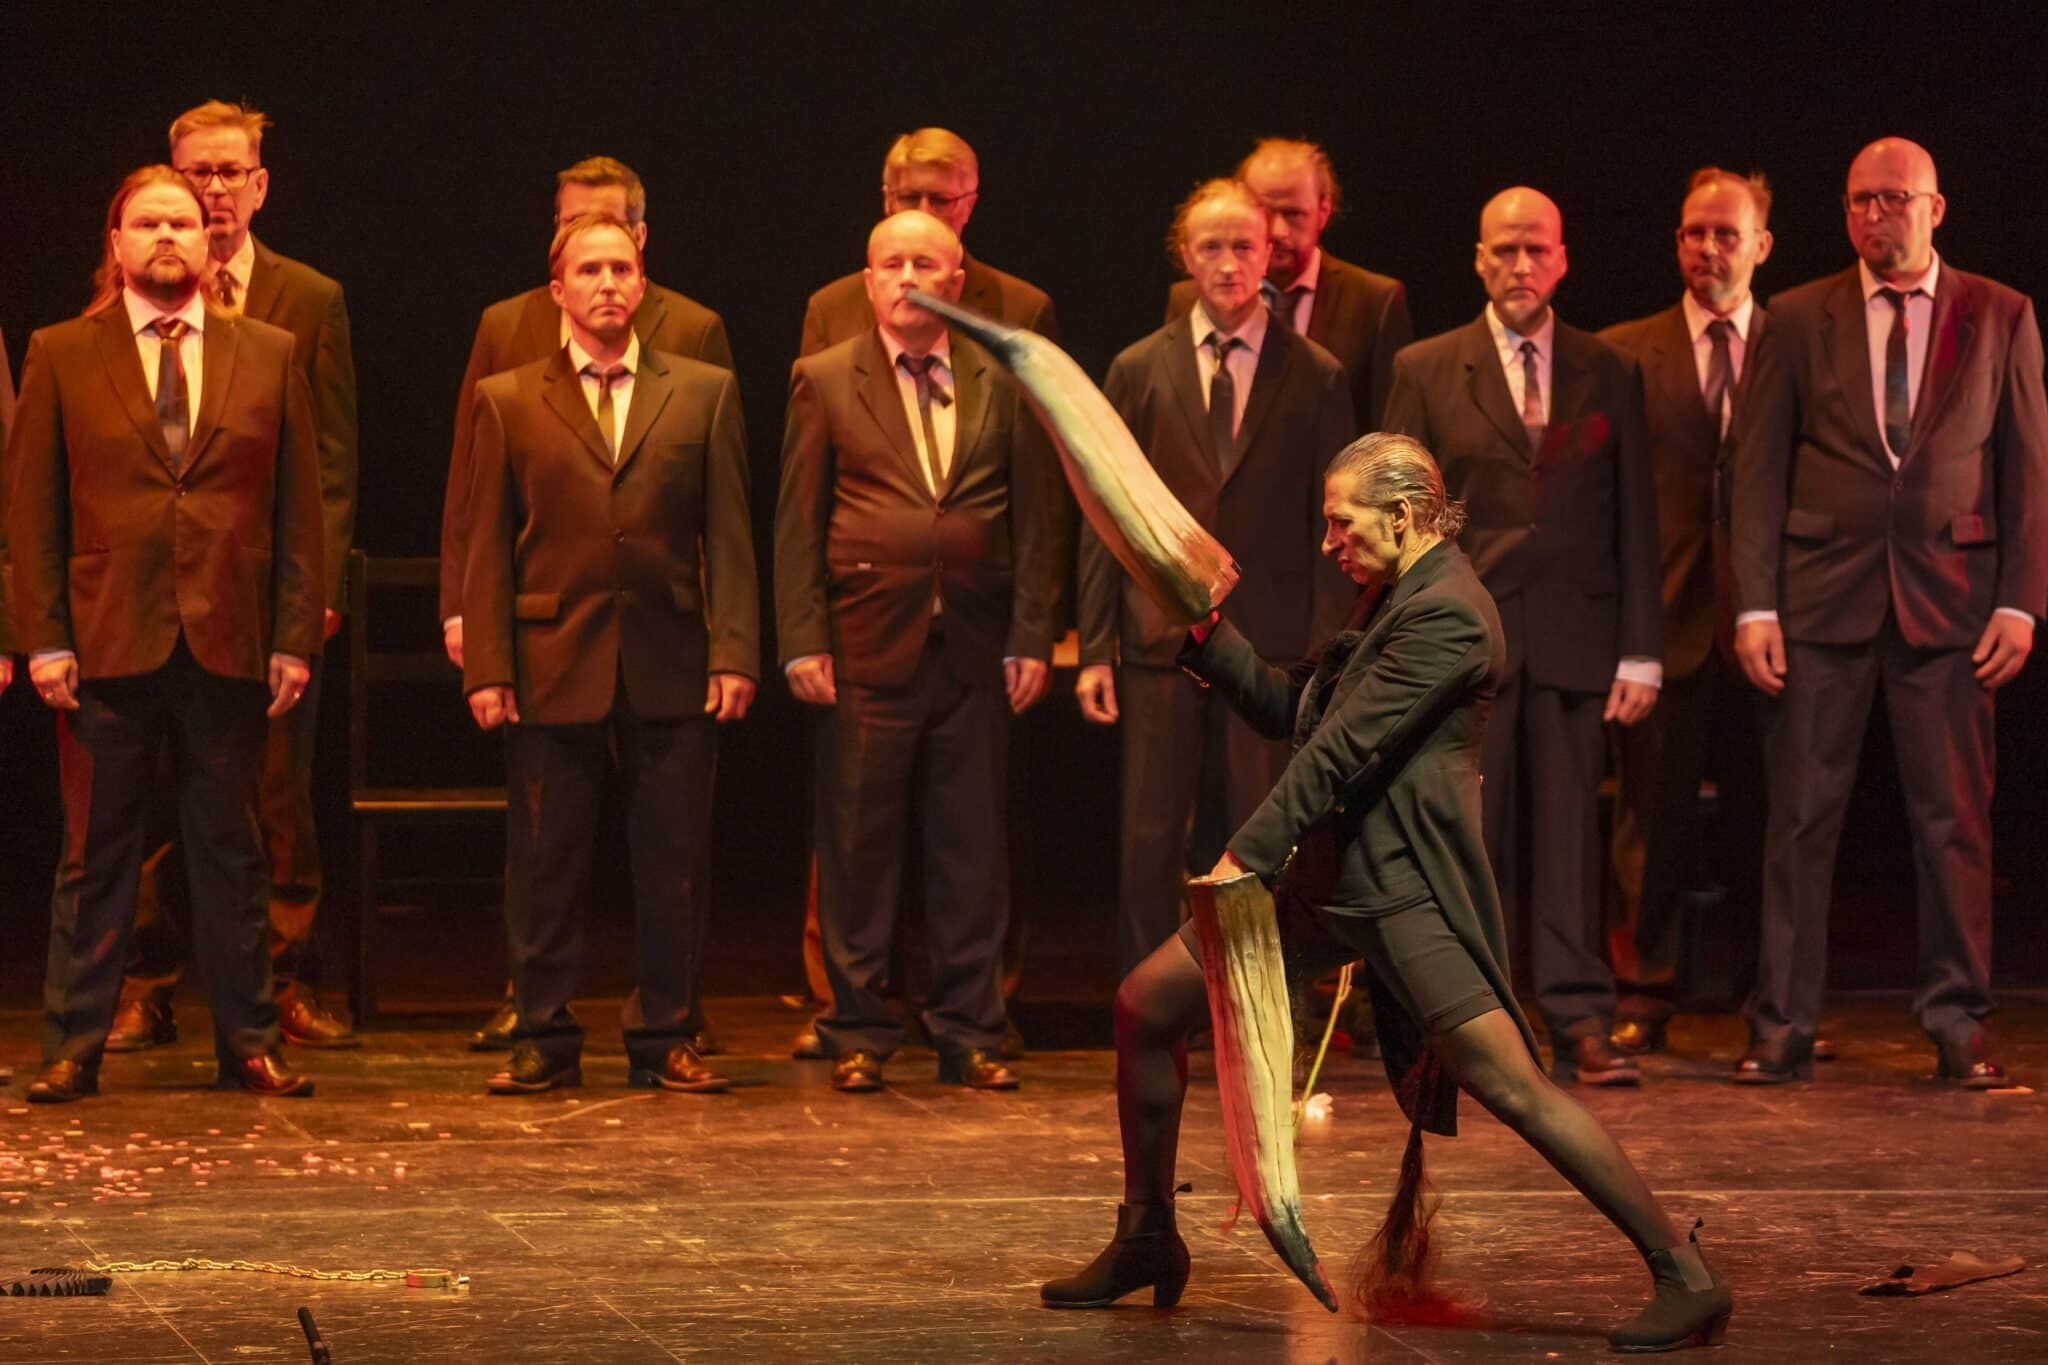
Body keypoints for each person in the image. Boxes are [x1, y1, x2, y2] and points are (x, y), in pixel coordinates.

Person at [1040, 434, 1731, 1354]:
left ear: (1402, 515)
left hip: (1404, 891)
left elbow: (1339, 750)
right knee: (1146, 1004)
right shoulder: (1393, 595)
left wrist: (1244, 856)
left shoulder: (1450, 613)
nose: (1328, 540)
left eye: (1341, 521)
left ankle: (1686, 1273)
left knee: (1509, 1083)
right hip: (1328, 882)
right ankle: (1147, 1236)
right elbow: (1301, 712)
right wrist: (1210, 635)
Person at [1730, 138, 2048, 1086]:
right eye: (1860, 200)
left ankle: (1959, 1021)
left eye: (1894, 198)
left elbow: (2028, 469)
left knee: (1954, 824)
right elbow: (1756, 471)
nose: (1876, 215)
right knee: (1799, 822)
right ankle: (1782, 1024)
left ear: (1935, 207)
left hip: (1953, 605)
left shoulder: (2001, 313)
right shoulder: (1797, 316)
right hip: (1818, 601)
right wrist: (1754, 605)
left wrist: (2022, 602)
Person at [5, 165, 324, 1103]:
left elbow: (299, 510)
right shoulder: (63, 351)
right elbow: (32, 511)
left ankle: (249, 1042)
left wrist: (294, 636)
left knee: (232, 852)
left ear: (209, 242)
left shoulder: (267, 351)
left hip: (228, 636)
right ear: (117, 244)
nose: (168, 237)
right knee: (96, 855)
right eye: (147, 222)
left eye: (182, 222)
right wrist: (43, 637)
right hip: (106, 640)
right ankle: (74, 1044)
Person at [439, 155, 733, 1053]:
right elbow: (483, 522)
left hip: (666, 646)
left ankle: (668, 1033)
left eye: (620, 267)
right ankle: (541, 1033)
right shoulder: (509, 391)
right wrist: (485, 655)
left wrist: (734, 649)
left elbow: (728, 528)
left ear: (643, 275)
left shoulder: (701, 381)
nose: (607, 282)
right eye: (587, 266)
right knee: (544, 858)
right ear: (557, 285)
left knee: (674, 859)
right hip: (550, 648)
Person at [774, 210, 1061, 1093]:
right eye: (891, 264)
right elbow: (797, 519)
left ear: (956, 282)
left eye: (926, 264)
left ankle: (970, 1028)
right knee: (858, 846)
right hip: (865, 645)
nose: (909, 278)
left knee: (972, 848)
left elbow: (1039, 517)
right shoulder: (826, 377)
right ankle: (858, 1027)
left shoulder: (1001, 378)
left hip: (975, 646)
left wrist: (1032, 633)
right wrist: (802, 638)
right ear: (868, 282)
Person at [1383, 187, 1661, 1085]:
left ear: (1563, 259)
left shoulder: (1608, 367)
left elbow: (1636, 516)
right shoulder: (1428, 367)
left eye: (1537, 248)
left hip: (1578, 636)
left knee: (1572, 837)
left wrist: (1641, 647)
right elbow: (1400, 521)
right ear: (1478, 259)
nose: (1520, 265)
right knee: (1468, 836)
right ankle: (1473, 1022)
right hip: (1466, 642)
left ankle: (1579, 1016)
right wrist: (1403, 645)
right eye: (1504, 249)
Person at [111, 99, 362, 1053]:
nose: (213, 190)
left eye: (229, 173)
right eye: (196, 173)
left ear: (260, 185)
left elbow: (330, 462)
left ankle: (284, 977)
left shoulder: (309, 297)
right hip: (157, 590)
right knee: (153, 793)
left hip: (266, 590)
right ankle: (147, 981)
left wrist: (319, 587)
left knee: (279, 793)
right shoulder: (130, 291)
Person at [1078, 177, 1353, 975]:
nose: (1229, 262)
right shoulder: (1138, 367)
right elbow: (1103, 512)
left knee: (1264, 830)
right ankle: (1148, 996)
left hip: (1270, 645)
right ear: (1185, 256)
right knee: (1150, 832)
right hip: (1160, 635)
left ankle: (1259, 997)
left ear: (1270, 252)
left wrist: (1330, 654)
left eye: (1243, 246)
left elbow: (1340, 525)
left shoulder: (1317, 373)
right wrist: (1095, 646)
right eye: (1211, 247)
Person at [1596, 168, 1773, 1054]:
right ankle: (1645, 990)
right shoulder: (1624, 352)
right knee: (1651, 821)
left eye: (1726, 233)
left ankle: (1769, 999)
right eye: (1695, 233)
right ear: (1676, 243)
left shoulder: (1797, 343)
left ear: (1760, 245)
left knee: (1767, 823)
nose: (1709, 248)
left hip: (1769, 626)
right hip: (1663, 622)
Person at [1165, 137, 1412, 431]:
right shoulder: (1191, 298)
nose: (1279, 231)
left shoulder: (1374, 302)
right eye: (1265, 212)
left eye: (1294, 214)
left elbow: (1391, 434)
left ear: (1324, 209)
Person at [800, 128, 1056, 355]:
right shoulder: (830, 312)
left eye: (940, 200)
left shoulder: (1024, 312)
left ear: (969, 206)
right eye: (910, 198)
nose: (924, 213)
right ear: (888, 201)